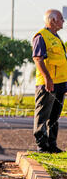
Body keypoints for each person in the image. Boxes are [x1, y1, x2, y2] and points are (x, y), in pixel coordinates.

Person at [32, 9, 67, 153]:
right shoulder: (41, 36)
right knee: (43, 114)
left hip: (60, 83)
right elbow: (38, 59)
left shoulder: (56, 38)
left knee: (54, 116)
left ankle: (52, 144)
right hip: (48, 83)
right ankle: (42, 145)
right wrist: (47, 78)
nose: (63, 21)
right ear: (52, 21)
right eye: (61, 18)